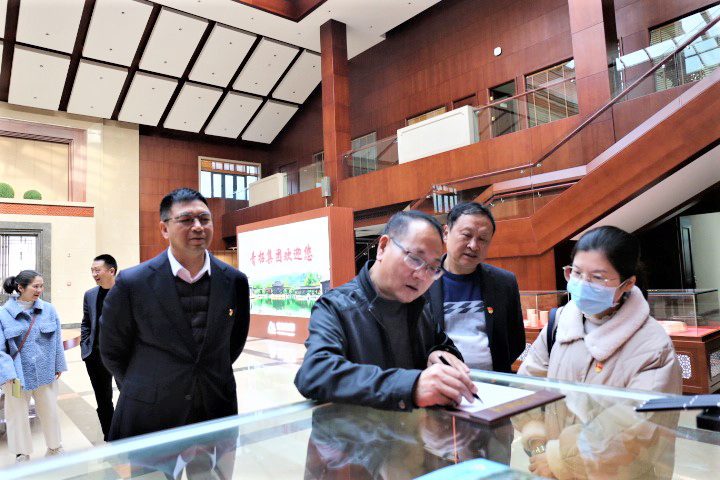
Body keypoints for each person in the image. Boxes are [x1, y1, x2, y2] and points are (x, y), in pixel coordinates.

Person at [517, 226, 682, 478]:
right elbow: (528, 387)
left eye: (597, 277)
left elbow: (636, 432)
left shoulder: (652, 346)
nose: (582, 284)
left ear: (628, 283)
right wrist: (539, 447)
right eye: (576, 272)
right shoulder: (559, 323)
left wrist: (559, 461)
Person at [100, 187, 250, 441]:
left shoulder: (234, 280)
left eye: (204, 219)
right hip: (151, 412)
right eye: (186, 219)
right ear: (164, 229)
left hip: (215, 408)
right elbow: (112, 350)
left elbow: (234, 343)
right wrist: (145, 385)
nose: (198, 227)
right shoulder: (133, 283)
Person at [295, 210, 478, 411]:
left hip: (414, 428)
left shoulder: (419, 305)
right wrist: (410, 386)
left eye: (432, 268)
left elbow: (442, 344)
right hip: (357, 428)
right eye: (415, 258)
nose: (421, 276)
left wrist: (440, 354)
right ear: (382, 247)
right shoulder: (336, 307)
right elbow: (315, 373)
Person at [426, 202, 525, 372]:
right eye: (466, 235)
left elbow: (516, 341)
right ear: (446, 233)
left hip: (493, 383)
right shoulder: (422, 280)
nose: (473, 245)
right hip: (439, 381)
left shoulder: (504, 282)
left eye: (482, 239)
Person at [0, 270, 67, 463]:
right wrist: (8, 373)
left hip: (45, 372)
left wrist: (58, 365)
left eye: (41, 286)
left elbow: (57, 341)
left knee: (50, 411)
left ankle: (54, 447)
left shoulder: (49, 310)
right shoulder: (3, 314)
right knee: (16, 414)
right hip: (15, 376)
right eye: (35, 286)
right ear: (20, 287)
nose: (40, 290)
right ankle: (22, 453)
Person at [80, 254, 118, 441]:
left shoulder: (126, 291)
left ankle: (128, 430)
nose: (94, 274)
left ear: (111, 271)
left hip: (123, 355)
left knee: (129, 395)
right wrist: (85, 346)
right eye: (92, 271)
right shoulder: (90, 294)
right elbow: (86, 322)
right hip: (95, 355)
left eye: (97, 270)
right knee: (103, 397)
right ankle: (110, 434)